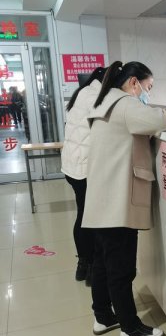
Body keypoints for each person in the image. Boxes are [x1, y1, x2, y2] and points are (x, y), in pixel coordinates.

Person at [82, 61, 166, 336]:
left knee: (103, 263)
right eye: (148, 87)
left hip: (101, 197)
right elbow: (157, 120)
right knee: (121, 268)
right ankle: (130, 327)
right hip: (117, 200)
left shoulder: (105, 103)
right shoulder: (125, 104)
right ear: (134, 82)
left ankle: (103, 316)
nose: (147, 94)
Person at [61, 67, 107, 285]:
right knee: (91, 218)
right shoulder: (97, 96)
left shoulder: (81, 92)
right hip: (84, 167)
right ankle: (92, 267)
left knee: (82, 213)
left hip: (72, 166)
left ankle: (83, 264)